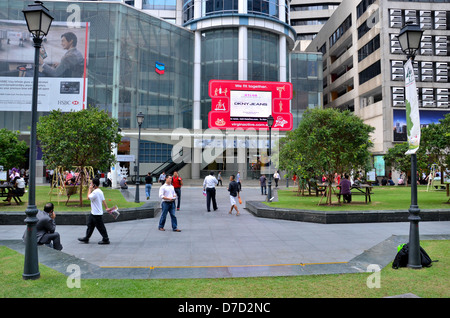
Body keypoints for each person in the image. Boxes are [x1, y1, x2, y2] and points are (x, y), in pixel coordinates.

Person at [78, 178, 112, 244]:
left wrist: (89, 189)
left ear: (94, 185)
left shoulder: (95, 192)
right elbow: (103, 201)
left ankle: (106, 239)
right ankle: (87, 237)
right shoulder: (100, 191)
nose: (90, 184)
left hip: (96, 213)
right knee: (90, 225)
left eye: (91, 183)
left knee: (100, 227)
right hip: (94, 212)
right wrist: (106, 208)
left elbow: (88, 197)